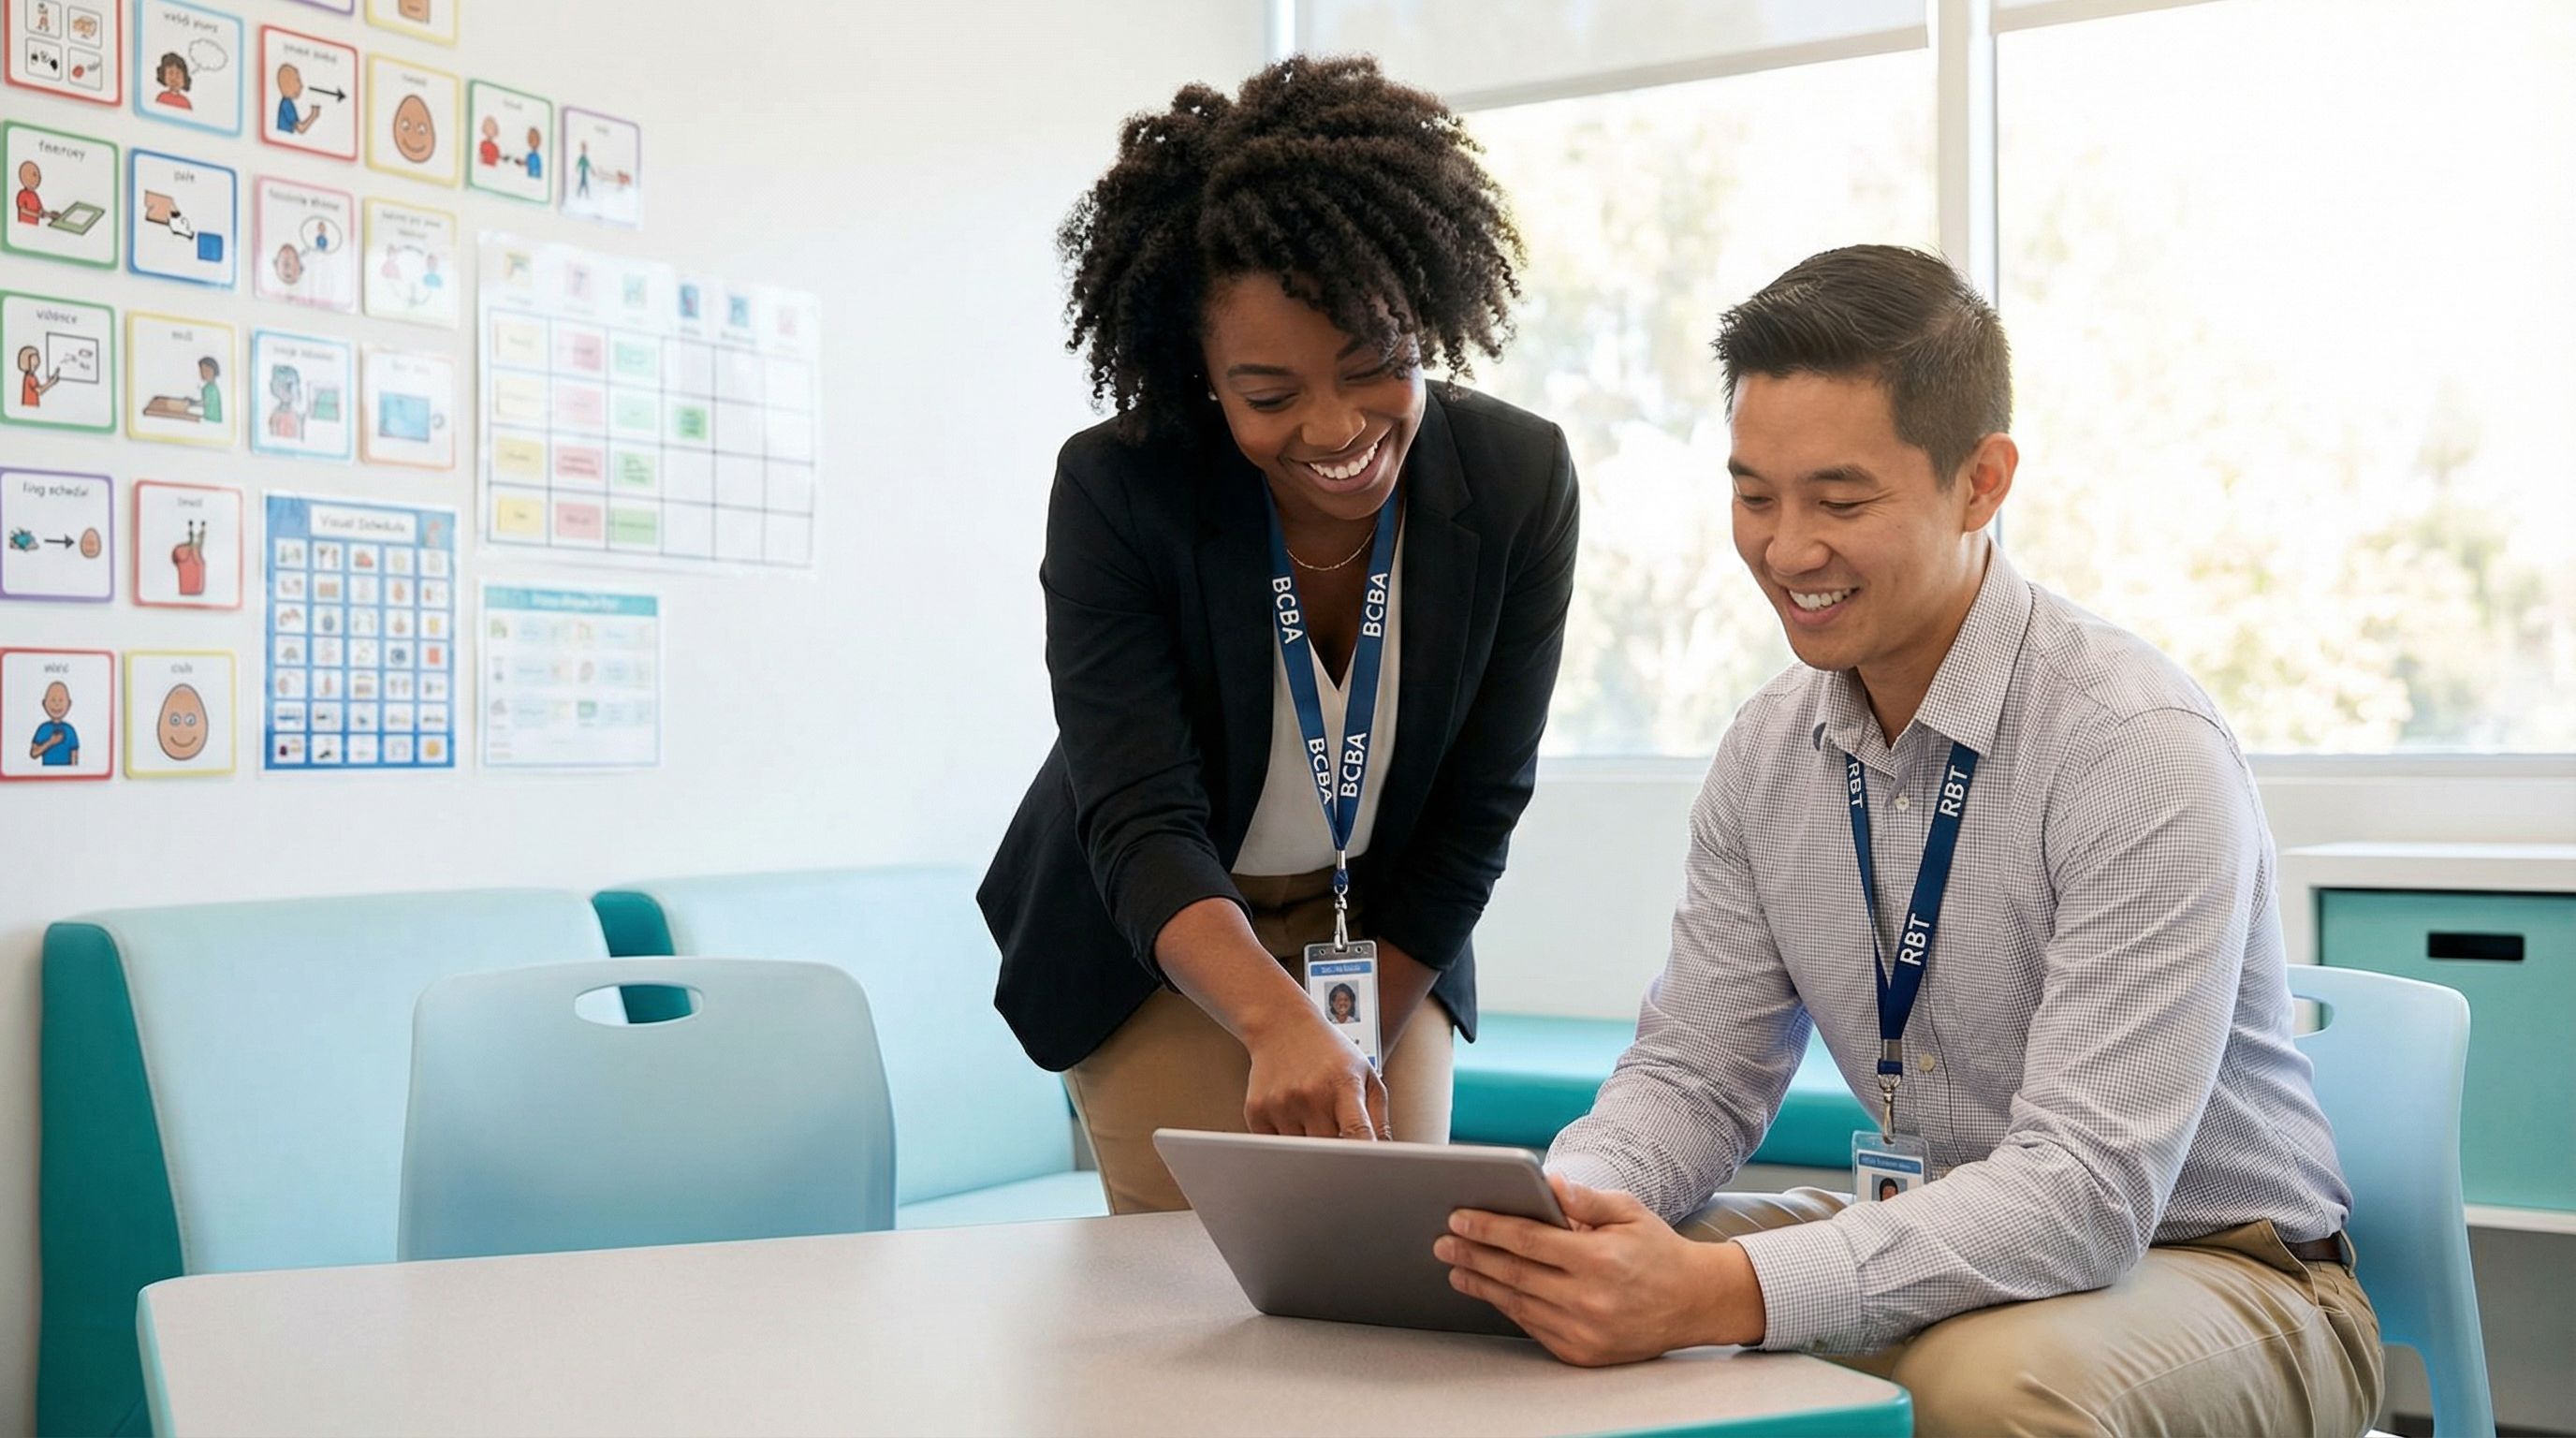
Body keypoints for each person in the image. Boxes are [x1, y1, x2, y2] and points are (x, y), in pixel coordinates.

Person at [1436, 246, 2380, 1438]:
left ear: (1981, 483)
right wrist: (1576, 1206)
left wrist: (1718, 1292)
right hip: (1948, 1227)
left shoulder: (2135, 746)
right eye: (1753, 495)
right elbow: (1693, 1074)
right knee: (1530, 1306)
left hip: (2219, 1263)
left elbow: (2086, 1196)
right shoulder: (1767, 749)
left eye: (1839, 502)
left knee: (1986, 1392)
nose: (1785, 551)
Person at [981, 55, 1578, 1215]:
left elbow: (1478, 806)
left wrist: (1352, 1036)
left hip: (1386, 919)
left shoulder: (1516, 479)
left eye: (1376, 368)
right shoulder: (1119, 489)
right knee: (1189, 1289)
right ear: (1200, 375)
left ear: (1427, 317)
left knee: (1382, 1268)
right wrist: (1273, 1021)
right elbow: (1140, 818)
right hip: (1171, 926)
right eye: (1270, 395)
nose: (1338, 427)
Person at [28, 682, 79, 766]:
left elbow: (74, 756)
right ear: (44, 703)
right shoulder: (43, 729)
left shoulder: (70, 730)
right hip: (46, 775)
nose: (57, 704)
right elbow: (33, 754)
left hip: (65, 775)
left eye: (61, 700)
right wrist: (50, 742)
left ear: (69, 704)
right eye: (53, 700)